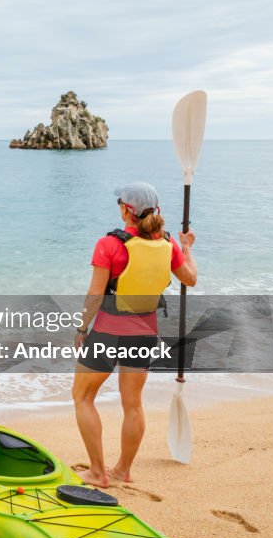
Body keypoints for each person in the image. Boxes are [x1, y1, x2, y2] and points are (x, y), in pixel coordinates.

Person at [71, 182, 197, 487]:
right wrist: (187, 248)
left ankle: (98, 472)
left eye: (120, 202)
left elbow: (95, 294)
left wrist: (81, 327)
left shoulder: (109, 244)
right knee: (133, 403)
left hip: (107, 333)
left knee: (83, 396)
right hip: (144, 335)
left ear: (127, 209)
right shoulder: (168, 245)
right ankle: (123, 471)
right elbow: (190, 279)